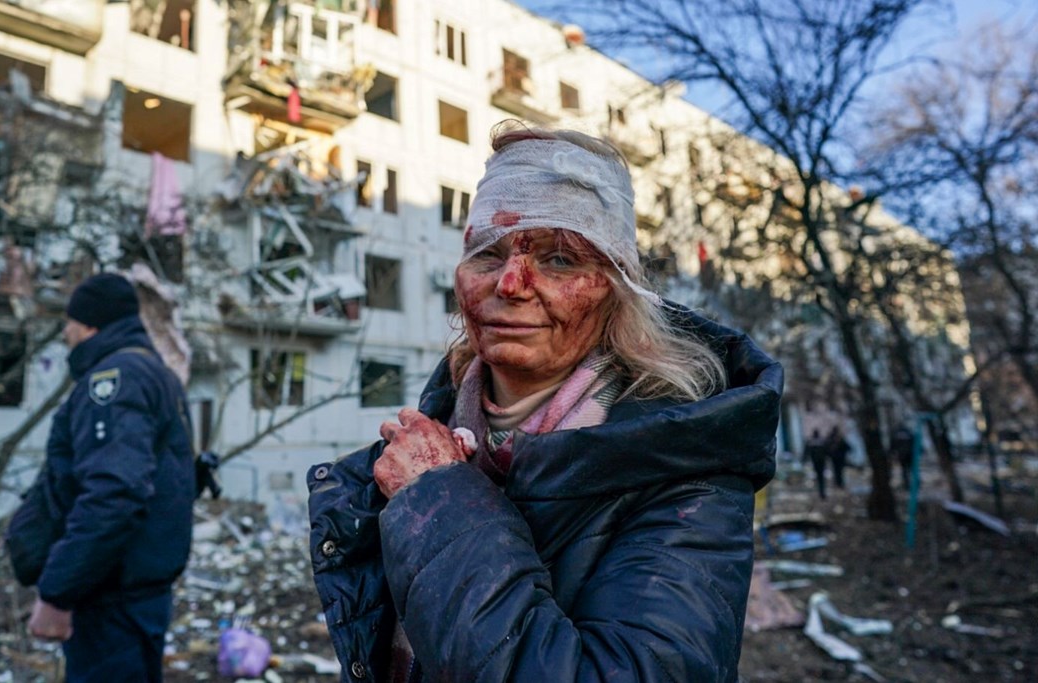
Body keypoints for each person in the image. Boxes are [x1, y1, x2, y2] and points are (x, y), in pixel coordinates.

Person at [308, 123, 783, 682]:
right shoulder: (429, 439)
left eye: (559, 259)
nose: (510, 282)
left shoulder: (685, 472)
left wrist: (439, 500)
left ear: (617, 290)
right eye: (487, 253)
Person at [15, 273, 195, 683]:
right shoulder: (156, 373)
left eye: (70, 322)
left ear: (91, 324)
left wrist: (57, 593)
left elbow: (115, 494)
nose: (65, 333)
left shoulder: (115, 379)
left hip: (110, 601)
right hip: (136, 594)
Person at [805, 427, 829, 499]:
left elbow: (806, 452)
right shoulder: (822, 442)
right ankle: (822, 492)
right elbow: (827, 451)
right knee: (821, 477)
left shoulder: (811, 442)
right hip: (821, 462)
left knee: (819, 477)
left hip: (816, 462)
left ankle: (821, 492)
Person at [825, 425, 850, 492]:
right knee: (839, 471)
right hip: (838, 458)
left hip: (836, 457)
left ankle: (838, 483)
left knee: (837, 471)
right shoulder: (838, 438)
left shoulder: (832, 438)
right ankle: (839, 483)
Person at [891, 423, 914, 490]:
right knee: (911, 469)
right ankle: (914, 484)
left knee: (904, 470)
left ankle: (907, 484)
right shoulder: (908, 432)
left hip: (901, 455)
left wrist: (892, 453)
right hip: (910, 454)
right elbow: (913, 442)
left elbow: (892, 445)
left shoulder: (896, 433)